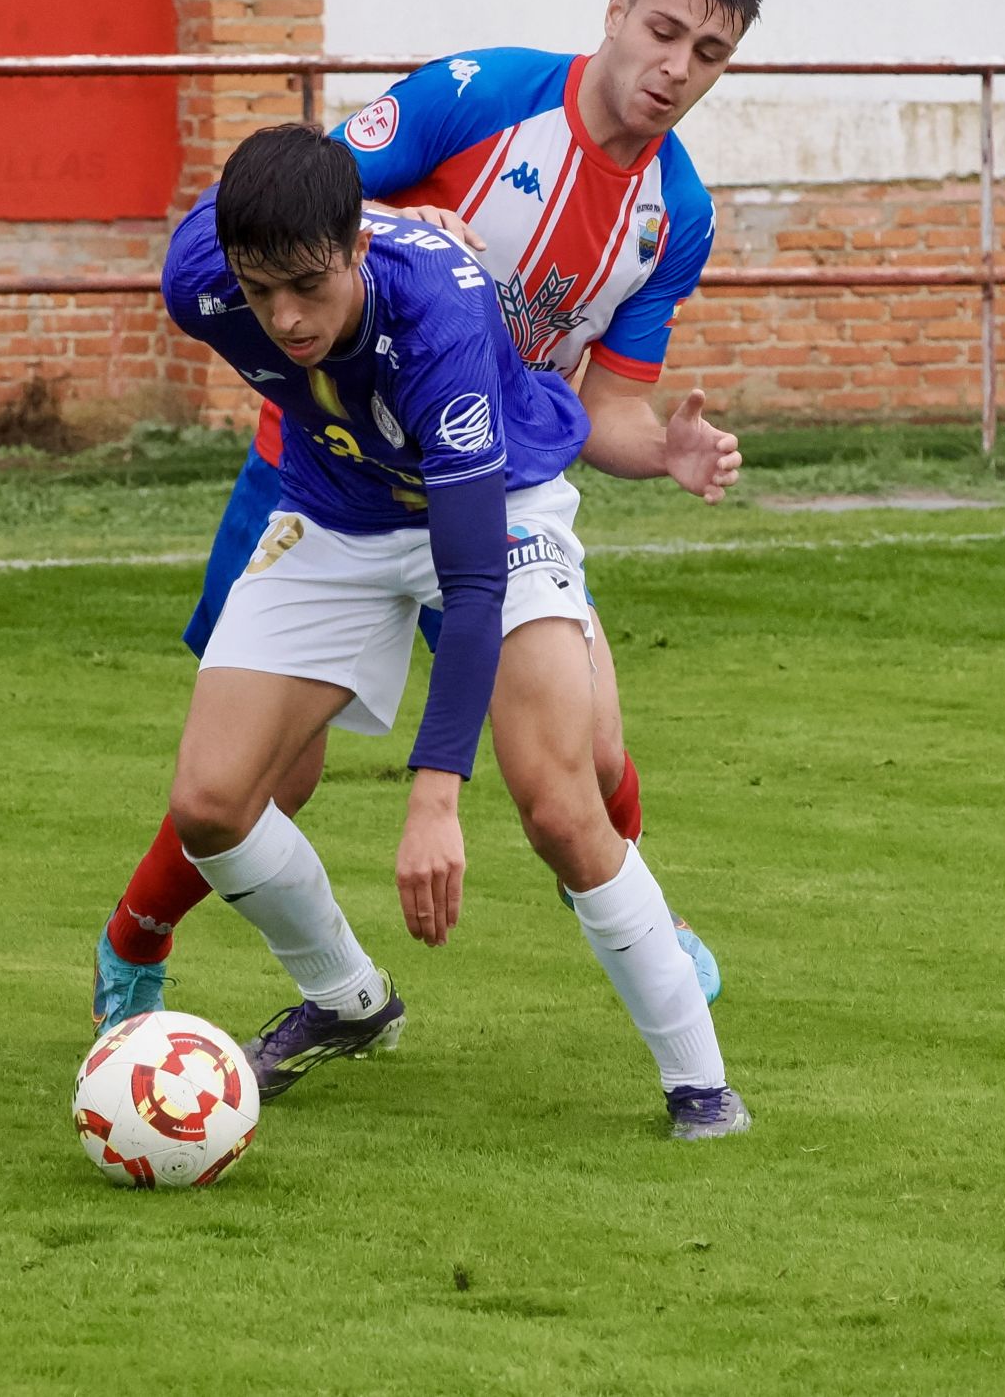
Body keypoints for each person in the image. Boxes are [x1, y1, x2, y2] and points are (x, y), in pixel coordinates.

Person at [99, 0, 760, 1032]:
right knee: (268, 779)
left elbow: (604, 408)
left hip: (486, 488)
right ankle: (138, 939)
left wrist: (663, 449)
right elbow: (294, 208)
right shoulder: (480, 93)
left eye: (707, 54)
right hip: (330, 471)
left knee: (589, 754)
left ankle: (648, 915)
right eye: (662, 32)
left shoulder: (673, 216)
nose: (675, 69)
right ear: (614, 11)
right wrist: (407, 227)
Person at [162, 122, 748, 1137]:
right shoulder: (201, 277)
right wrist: (379, 216)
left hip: (496, 508)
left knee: (561, 803)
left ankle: (702, 1085)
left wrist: (435, 797)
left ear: (352, 251)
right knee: (210, 804)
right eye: (263, 293)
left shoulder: (442, 320)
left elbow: (471, 583)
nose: (286, 319)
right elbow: (261, 255)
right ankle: (350, 1000)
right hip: (338, 510)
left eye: (310, 284)